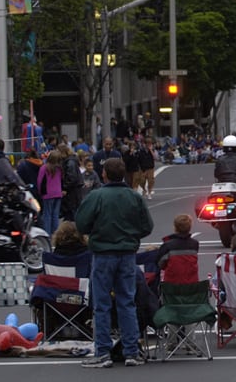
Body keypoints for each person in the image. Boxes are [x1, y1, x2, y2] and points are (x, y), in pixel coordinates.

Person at [76, 158, 154, 368]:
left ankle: (103, 352)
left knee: (101, 304)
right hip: (127, 253)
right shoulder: (133, 197)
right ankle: (131, 351)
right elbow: (147, 226)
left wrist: (96, 232)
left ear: (104, 174)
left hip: (103, 253)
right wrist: (131, 235)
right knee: (127, 301)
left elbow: (81, 223)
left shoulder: (96, 196)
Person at [157, 214, 199, 285]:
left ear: (175, 227)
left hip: (172, 285)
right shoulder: (195, 244)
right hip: (192, 285)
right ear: (190, 227)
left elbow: (160, 264)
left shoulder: (167, 245)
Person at [37, 149, 64, 236]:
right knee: (55, 215)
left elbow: (40, 181)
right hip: (58, 193)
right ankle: (55, 234)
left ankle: (47, 234)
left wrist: (40, 192)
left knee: (47, 215)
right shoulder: (59, 169)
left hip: (47, 194)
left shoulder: (44, 168)